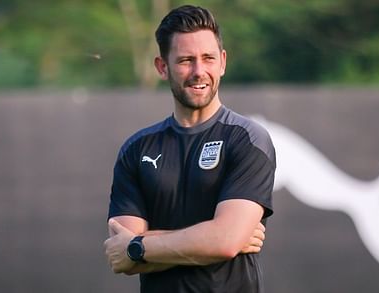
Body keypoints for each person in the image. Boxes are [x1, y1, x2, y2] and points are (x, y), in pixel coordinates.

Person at [104, 5, 276, 293]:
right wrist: (212, 238)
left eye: (207, 58)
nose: (199, 72)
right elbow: (123, 259)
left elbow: (224, 242)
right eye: (185, 60)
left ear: (222, 62)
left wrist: (140, 245)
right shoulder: (136, 149)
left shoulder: (248, 139)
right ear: (162, 67)